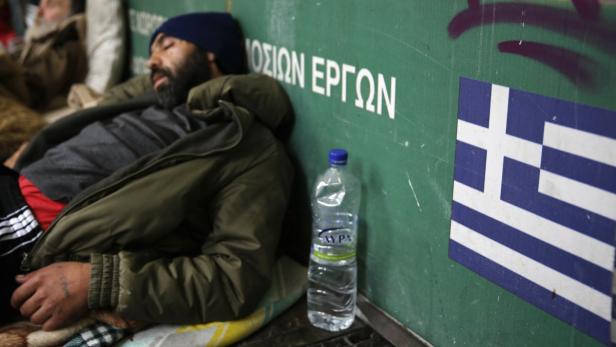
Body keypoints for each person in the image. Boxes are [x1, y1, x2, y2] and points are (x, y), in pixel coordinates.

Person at [0, 12, 294, 332]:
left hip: (37, 232)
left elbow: (235, 277)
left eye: (167, 46)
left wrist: (101, 281)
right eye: (151, 51)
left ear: (212, 52)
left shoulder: (247, 145)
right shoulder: (142, 101)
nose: (152, 61)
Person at [0, 0, 87, 110]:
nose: (39, 12)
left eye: (51, 5)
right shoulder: (34, 42)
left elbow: (30, 88)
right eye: (40, 5)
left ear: (72, 12)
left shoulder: (69, 46)